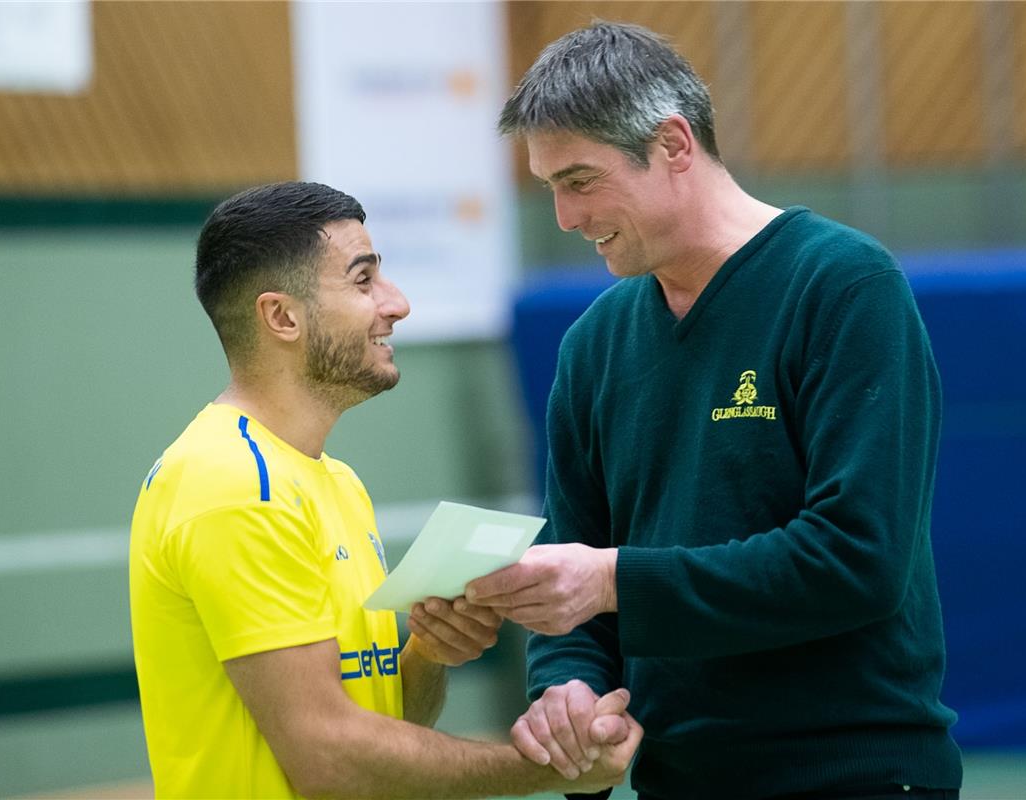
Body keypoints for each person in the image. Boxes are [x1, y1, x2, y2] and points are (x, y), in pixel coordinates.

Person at [466, 21, 963, 800]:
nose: (564, 216)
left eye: (580, 180)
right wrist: (564, 689)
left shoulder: (842, 287)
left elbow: (857, 561)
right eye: (549, 187)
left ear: (672, 145)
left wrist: (610, 581)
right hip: (675, 780)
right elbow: (578, 571)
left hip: (855, 776)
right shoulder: (591, 345)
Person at [128, 181, 641, 799]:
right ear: (282, 317)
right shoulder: (235, 484)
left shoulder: (334, 482)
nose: (396, 304)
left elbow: (383, 725)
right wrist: (543, 766)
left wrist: (427, 651)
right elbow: (330, 762)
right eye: (363, 280)